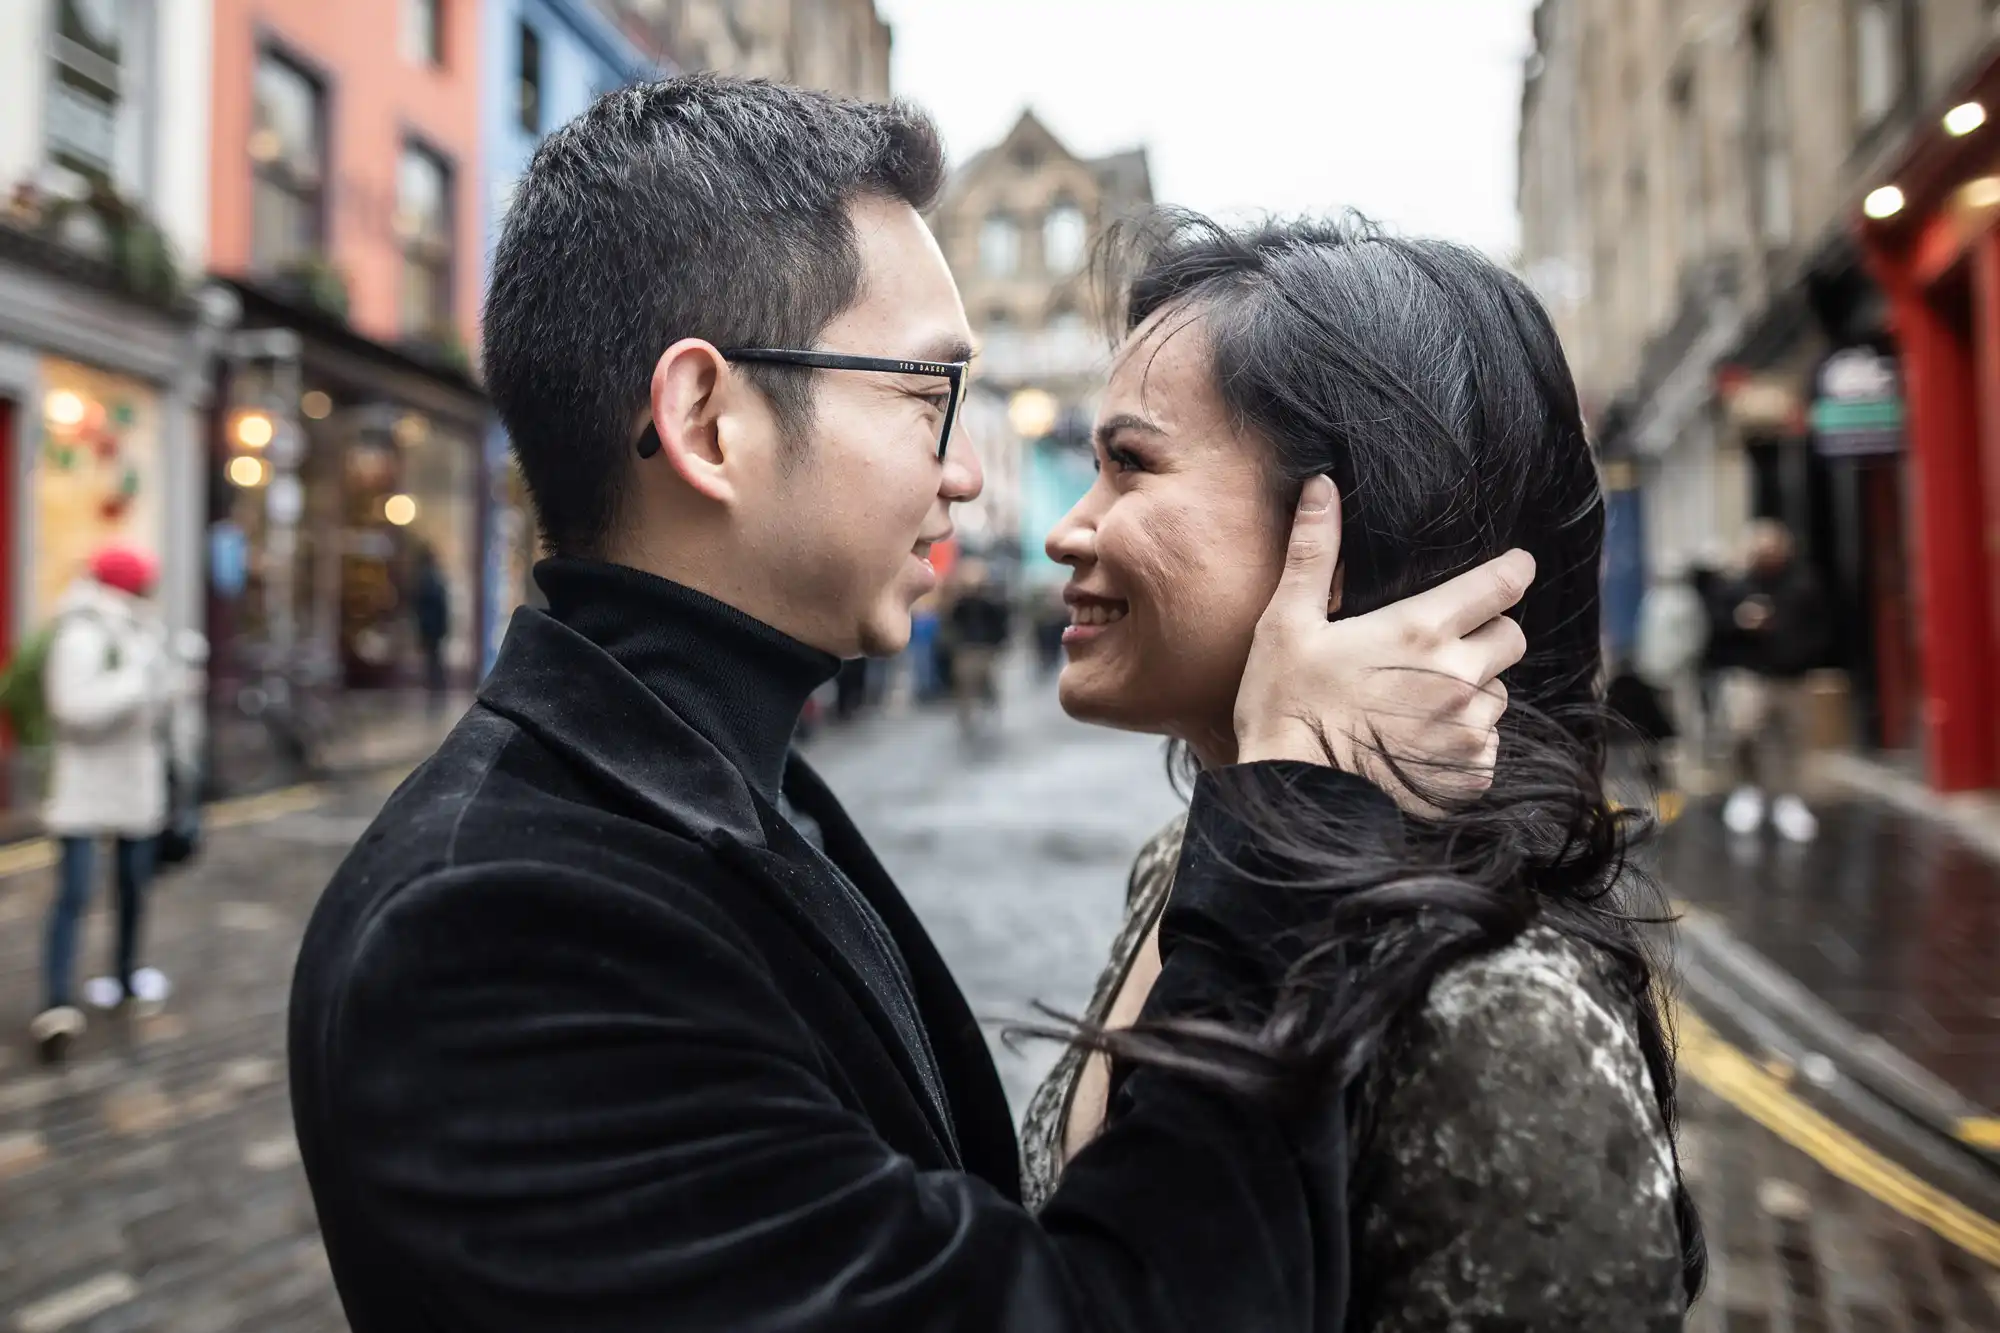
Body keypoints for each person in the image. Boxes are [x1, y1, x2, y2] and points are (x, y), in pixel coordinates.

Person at [288, 77, 1533, 1332]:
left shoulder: (715, 783)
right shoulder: (501, 935)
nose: (968, 472)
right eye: (925, 393)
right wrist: (1284, 820)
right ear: (707, 422)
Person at [1022, 211, 1704, 1330]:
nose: (1068, 528)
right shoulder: (1188, 866)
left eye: (1128, 465)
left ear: (1332, 534)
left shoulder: (1495, 1012)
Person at [30, 545, 186, 1063]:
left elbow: (158, 703)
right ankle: (56, 1003)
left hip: (135, 785)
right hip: (86, 786)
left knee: (134, 890)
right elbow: (73, 708)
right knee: (73, 896)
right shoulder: (82, 633)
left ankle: (123, 977)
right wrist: (138, 682)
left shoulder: (141, 630)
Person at [1717, 519, 1829, 842]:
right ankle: (1748, 790)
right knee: (1741, 732)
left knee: (1791, 739)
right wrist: (1741, 623)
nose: (1766, 554)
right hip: (1749, 674)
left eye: (1772, 548)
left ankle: (1789, 800)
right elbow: (1718, 624)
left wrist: (1803, 654)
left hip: (1793, 676)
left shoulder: (1804, 584)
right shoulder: (1738, 585)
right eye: (1760, 548)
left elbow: (1820, 628)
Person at [945, 556, 1010, 739]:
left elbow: (1000, 624)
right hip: (966, 648)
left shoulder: (991, 601)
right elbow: (952, 623)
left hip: (985, 648)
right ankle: (966, 716)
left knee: (986, 680)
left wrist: (998, 645)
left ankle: (989, 704)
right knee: (965, 683)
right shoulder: (960, 603)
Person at [409, 543, 449, 712]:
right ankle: (436, 687)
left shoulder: (425, 579)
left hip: (430, 626)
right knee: (433, 658)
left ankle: (435, 687)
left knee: (432, 659)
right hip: (433, 626)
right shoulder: (433, 578)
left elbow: (424, 605)